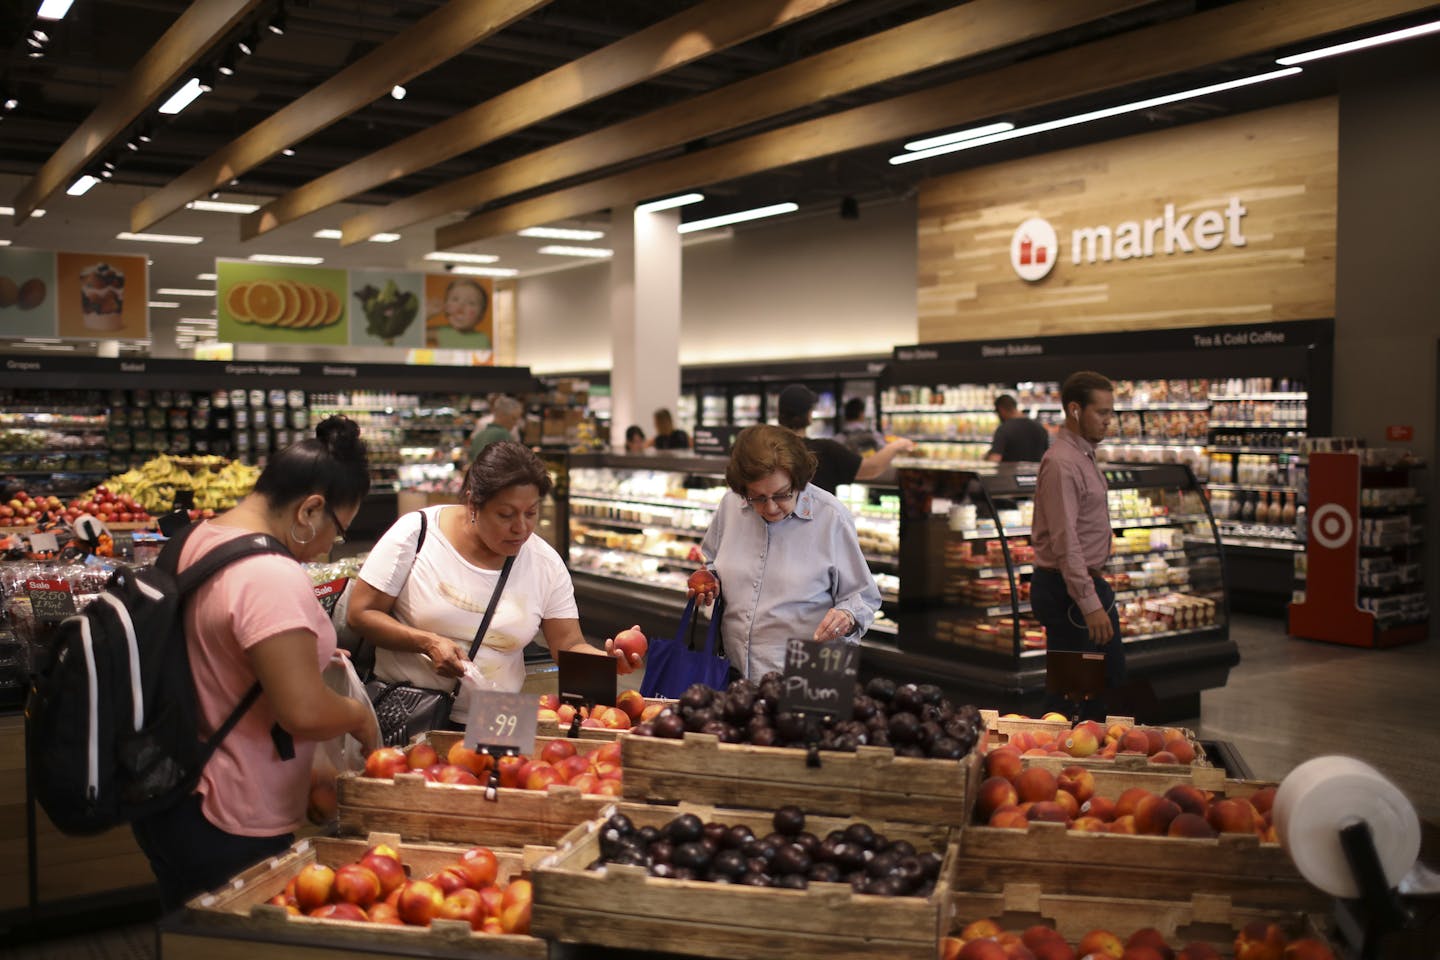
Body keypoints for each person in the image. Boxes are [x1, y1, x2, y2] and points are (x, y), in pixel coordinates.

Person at [131, 416, 381, 910]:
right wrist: (358, 718)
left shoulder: (198, 538)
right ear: (311, 509)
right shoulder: (270, 575)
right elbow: (303, 713)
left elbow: (219, 649)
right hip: (230, 808)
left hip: (176, 789)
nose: (333, 544)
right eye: (339, 529)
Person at [348, 441, 639, 721]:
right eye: (506, 514)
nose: (521, 528)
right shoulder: (419, 534)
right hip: (411, 712)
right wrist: (428, 642)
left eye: (531, 513)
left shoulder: (545, 563)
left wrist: (606, 662)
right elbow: (361, 613)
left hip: (499, 721)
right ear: (474, 503)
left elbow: (568, 643)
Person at [689, 425, 882, 679]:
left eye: (781, 495)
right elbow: (713, 560)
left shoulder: (831, 517)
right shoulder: (731, 505)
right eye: (757, 497)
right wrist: (710, 581)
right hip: (731, 674)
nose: (770, 507)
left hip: (804, 679)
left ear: (800, 480)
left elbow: (863, 596)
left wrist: (846, 615)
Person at [1029, 371, 1122, 720]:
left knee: (1100, 686)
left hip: (1082, 583)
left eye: (1111, 413)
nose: (1108, 421)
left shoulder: (1084, 456)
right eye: (1102, 412)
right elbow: (1065, 539)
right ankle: (1053, 760)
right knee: (1072, 696)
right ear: (1075, 410)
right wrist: (1089, 603)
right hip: (1066, 589)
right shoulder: (1062, 463)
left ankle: (1084, 755)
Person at [776, 384, 914, 494]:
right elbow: (871, 468)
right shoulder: (825, 450)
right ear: (809, 415)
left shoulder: (768, 449)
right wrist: (896, 446)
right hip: (819, 526)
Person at [427, 277, 492, 351]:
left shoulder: (483, 339)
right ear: (445, 305)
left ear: (481, 315)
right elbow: (414, 334)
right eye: (455, 299)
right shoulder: (440, 332)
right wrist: (428, 314)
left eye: (471, 303)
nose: (460, 307)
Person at [986, 394, 1050, 463]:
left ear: (1001, 409)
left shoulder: (1004, 429)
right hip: (1036, 473)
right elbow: (1047, 457)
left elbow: (995, 459)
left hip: (1009, 473)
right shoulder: (1040, 428)